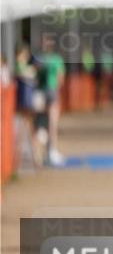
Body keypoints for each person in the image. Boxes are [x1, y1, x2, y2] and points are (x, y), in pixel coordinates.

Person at [36, 36, 66, 165]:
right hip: (52, 92)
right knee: (52, 123)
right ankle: (51, 152)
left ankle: (43, 152)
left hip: (41, 92)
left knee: (41, 123)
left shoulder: (39, 59)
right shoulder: (56, 59)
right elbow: (61, 78)